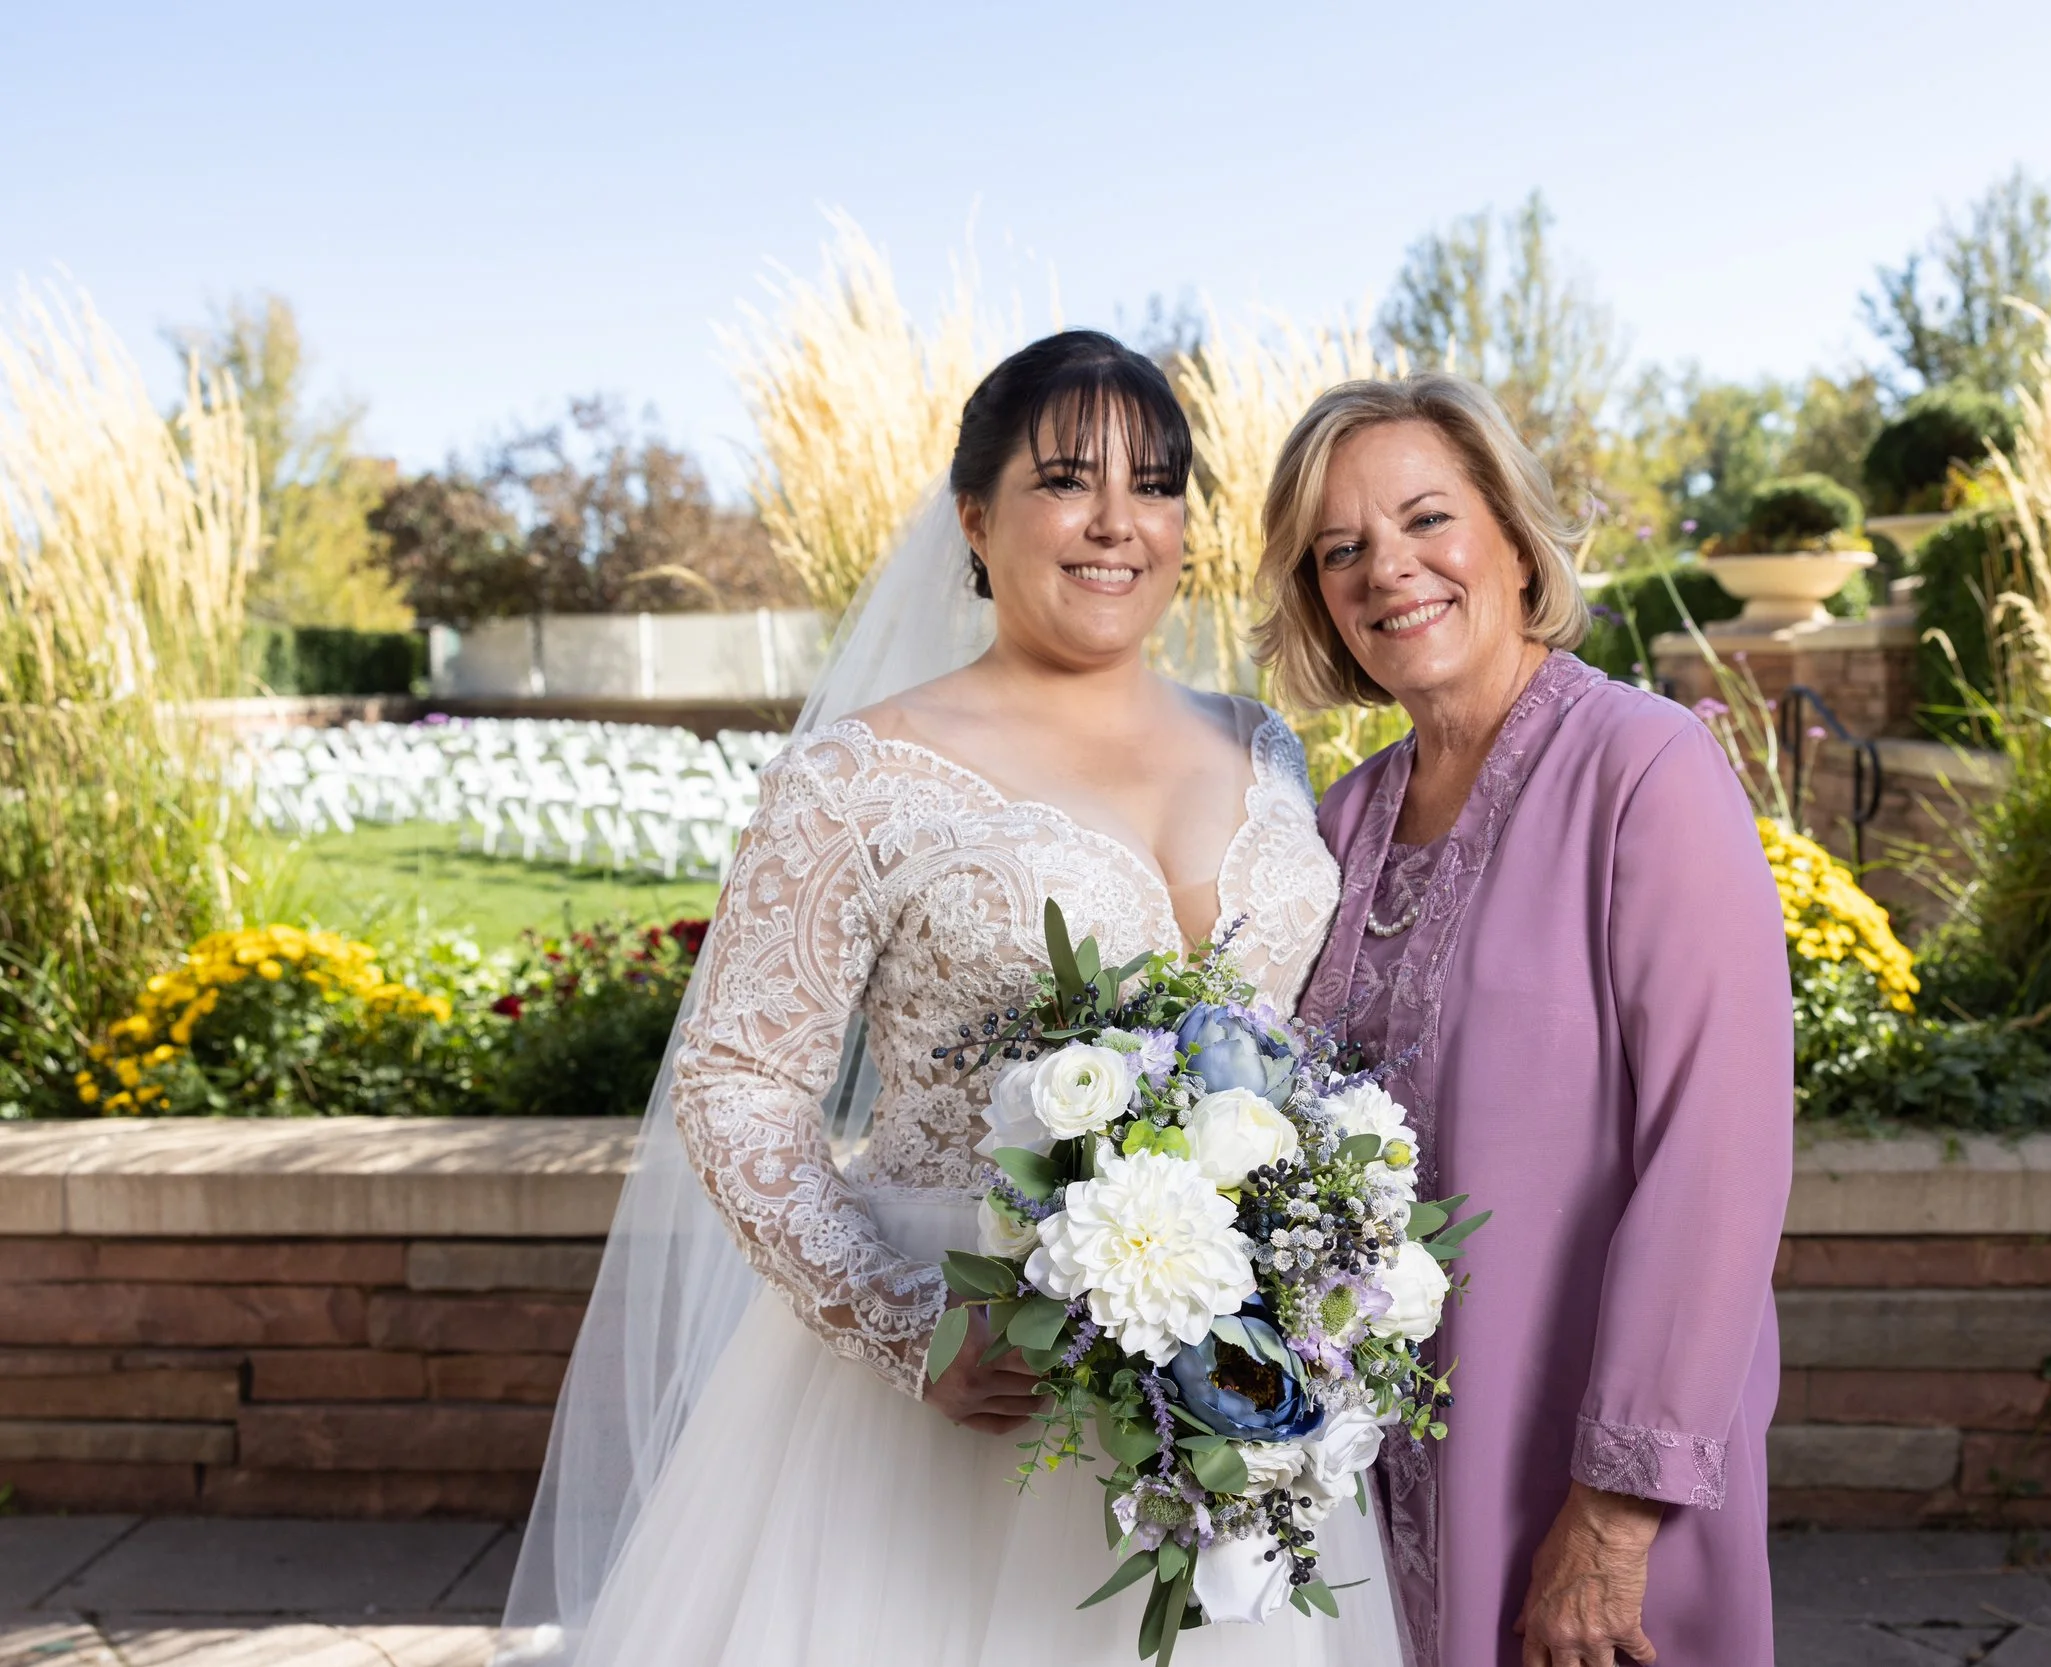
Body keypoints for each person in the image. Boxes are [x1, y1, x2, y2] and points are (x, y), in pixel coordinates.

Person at [500, 331, 1397, 1665]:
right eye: (1065, 480)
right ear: (975, 517)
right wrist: (911, 1322)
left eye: (1156, 483)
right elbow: (738, 1079)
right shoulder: (860, 773)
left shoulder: (1261, 743)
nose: (1116, 521)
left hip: (1230, 1388)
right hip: (961, 1378)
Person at [1254, 375, 1793, 1667]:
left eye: (1428, 518)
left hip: (1585, 1469)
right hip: (1372, 1482)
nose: (1392, 570)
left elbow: (1719, 1154)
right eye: (1342, 550)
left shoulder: (1645, 769)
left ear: (1507, 530)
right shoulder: (1341, 823)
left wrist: (1613, 1513)